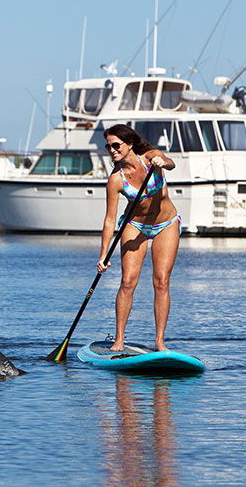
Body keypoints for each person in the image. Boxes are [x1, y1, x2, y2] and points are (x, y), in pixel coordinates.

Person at [97, 124, 181, 352]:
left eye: (116, 145)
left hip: (166, 223)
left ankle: (160, 342)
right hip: (135, 225)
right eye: (108, 146)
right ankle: (119, 339)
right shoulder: (116, 179)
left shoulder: (150, 157)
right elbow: (109, 220)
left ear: (129, 144)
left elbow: (170, 163)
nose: (112, 150)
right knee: (127, 282)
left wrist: (163, 162)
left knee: (161, 281)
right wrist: (104, 254)